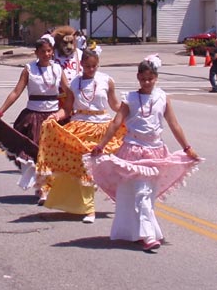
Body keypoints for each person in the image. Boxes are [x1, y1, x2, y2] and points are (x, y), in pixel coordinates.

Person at [84, 55, 201, 251]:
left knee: (146, 193)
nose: (147, 82)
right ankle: (148, 235)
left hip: (155, 151)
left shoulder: (162, 97)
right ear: (138, 78)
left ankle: (137, 231)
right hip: (133, 150)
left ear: (156, 78)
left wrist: (187, 148)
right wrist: (101, 145)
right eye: (143, 79)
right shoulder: (129, 99)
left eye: (151, 79)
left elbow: (174, 125)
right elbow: (115, 123)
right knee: (140, 193)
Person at [36, 49, 126, 216]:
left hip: (102, 127)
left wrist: (129, 112)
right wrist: (55, 116)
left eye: (94, 66)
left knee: (108, 166)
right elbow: (68, 109)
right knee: (83, 167)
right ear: (82, 64)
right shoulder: (74, 83)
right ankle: (87, 208)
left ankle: (120, 200)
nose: (91, 69)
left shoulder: (107, 81)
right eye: (87, 66)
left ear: (98, 64)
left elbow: (114, 105)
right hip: (80, 126)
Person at [0, 38, 69, 197]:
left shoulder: (58, 69)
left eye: (49, 51)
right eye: (42, 51)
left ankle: (47, 186)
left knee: (52, 153)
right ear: (36, 52)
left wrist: (80, 107)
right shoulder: (29, 69)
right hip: (33, 116)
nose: (46, 54)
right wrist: (0, 112)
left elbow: (69, 91)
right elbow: (16, 92)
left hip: (54, 117)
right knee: (37, 153)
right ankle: (41, 188)